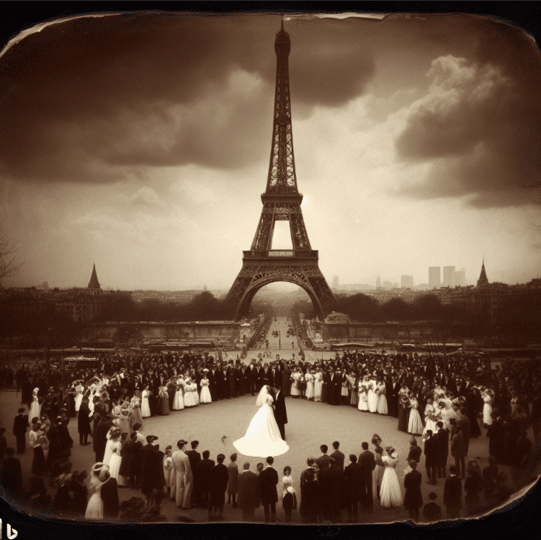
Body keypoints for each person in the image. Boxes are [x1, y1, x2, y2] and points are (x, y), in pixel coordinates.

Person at [233, 385, 289, 457]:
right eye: (269, 388)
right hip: (268, 409)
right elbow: (270, 403)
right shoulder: (268, 396)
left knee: (271, 422)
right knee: (270, 422)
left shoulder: (267, 395)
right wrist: (272, 404)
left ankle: (280, 434)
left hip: (266, 409)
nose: (270, 389)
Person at [171, 439, 192, 510]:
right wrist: (187, 476)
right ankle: (185, 505)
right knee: (187, 489)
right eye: (185, 445)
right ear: (183, 446)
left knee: (179, 488)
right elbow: (187, 468)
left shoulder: (173, 454)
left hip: (178, 472)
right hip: (184, 473)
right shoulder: (185, 456)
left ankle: (179, 503)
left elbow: (173, 465)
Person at [320, 456, 342, 523]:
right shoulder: (339, 470)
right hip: (337, 490)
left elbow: (324, 482)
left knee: (330, 504)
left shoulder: (326, 471)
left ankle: (331, 518)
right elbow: (341, 480)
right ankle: (338, 517)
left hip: (329, 490)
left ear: (329, 463)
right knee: (337, 504)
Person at [208, 453, 229, 521]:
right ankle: (220, 515)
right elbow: (226, 479)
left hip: (214, 488)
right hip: (221, 488)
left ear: (217, 460)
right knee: (220, 502)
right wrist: (225, 487)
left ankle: (211, 514)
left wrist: (210, 487)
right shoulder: (225, 468)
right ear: (223, 460)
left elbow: (210, 479)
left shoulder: (213, 468)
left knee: (212, 501)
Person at [259, 455, 279, 523]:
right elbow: (276, 482)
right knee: (273, 506)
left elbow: (260, 483)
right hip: (272, 491)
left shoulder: (263, 472)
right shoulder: (274, 471)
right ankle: (273, 519)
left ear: (266, 462)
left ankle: (267, 519)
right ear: (272, 462)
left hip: (265, 492)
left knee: (266, 506)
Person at [343, 454, 361, 522]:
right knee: (355, 502)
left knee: (348, 502)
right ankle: (355, 516)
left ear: (350, 460)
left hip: (349, 487)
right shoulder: (359, 466)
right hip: (356, 487)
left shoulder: (347, 468)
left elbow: (343, 477)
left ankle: (349, 516)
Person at [358, 442, 375, 508]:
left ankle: (364, 502)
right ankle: (370, 502)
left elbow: (359, 465)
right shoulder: (372, 454)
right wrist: (371, 469)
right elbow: (374, 463)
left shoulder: (361, 455)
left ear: (362, 447)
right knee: (369, 487)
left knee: (363, 487)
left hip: (363, 474)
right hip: (369, 473)